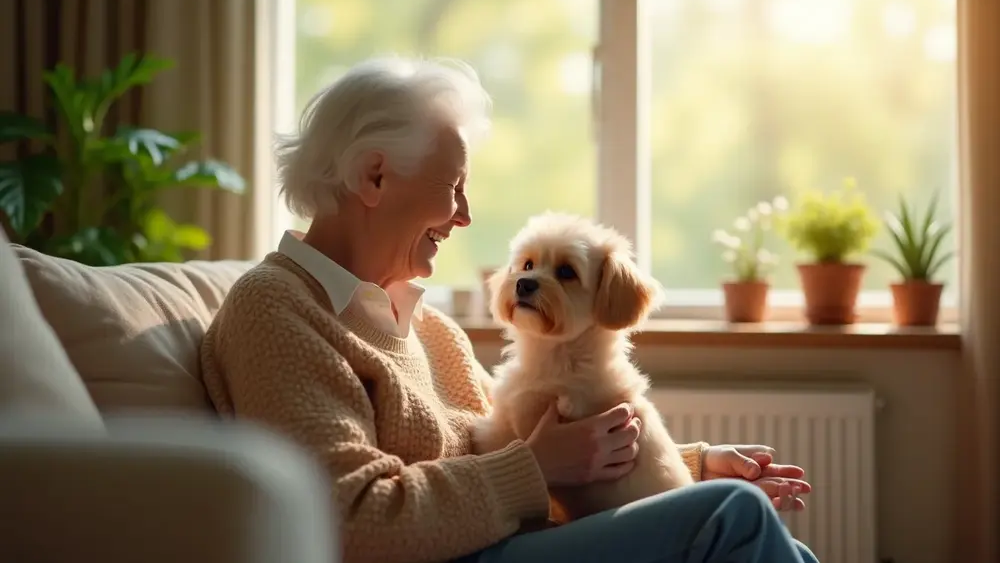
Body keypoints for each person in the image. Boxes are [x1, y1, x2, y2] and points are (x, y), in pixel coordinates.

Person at [199, 57, 818, 563]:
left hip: (506, 542)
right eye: (454, 187)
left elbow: (525, 459)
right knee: (732, 520)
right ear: (375, 176)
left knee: (773, 540)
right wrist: (540, 465)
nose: (465, 217)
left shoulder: (431, 329)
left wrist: (686, 471)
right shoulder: (276, 309)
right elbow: (352, 521)